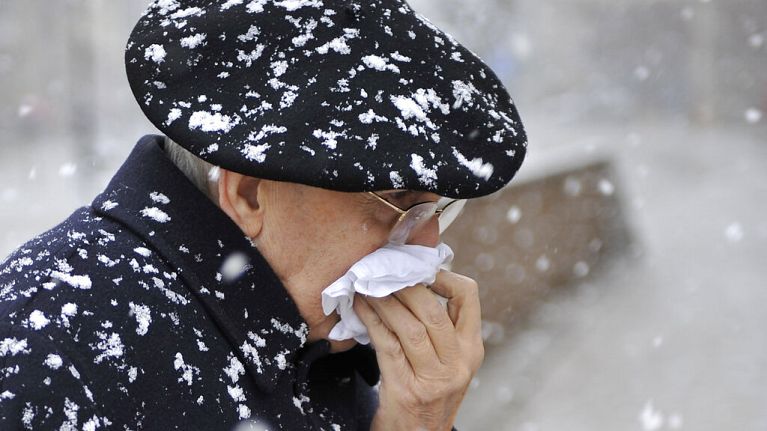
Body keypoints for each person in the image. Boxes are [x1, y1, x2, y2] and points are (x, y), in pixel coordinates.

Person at [0, 0, 527, 429]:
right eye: (398, 205)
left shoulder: (309, 339)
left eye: (438, 210)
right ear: (250, 194)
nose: (426, 249)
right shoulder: (49, 359)